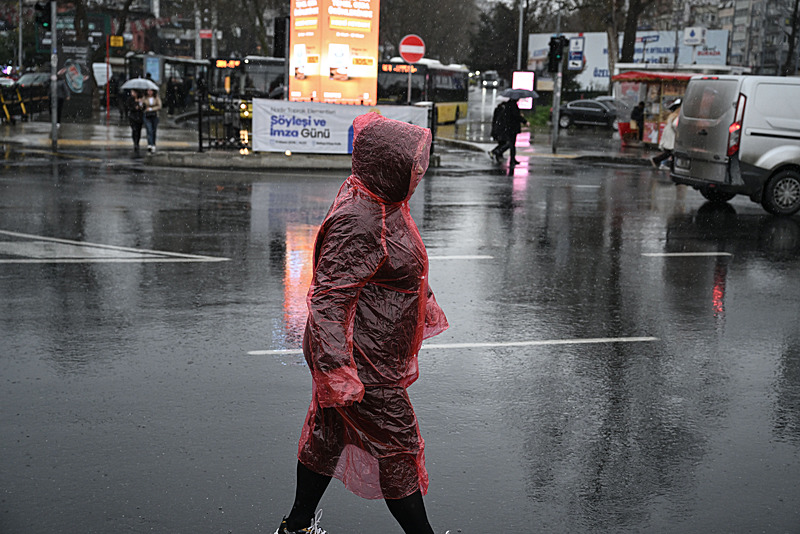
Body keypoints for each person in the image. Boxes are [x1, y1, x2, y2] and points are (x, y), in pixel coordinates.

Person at [275, 112, 450, 534]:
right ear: (387, 165)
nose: (419, 172)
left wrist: (422, 299)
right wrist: (337, 370)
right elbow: (329, 300)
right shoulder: (361, 218)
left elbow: (394, 265)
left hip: (371, 354)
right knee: (398, 446)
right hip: (362, 364)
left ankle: (296, 526)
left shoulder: (384, 203)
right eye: (411, 164)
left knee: (328, 435)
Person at [489, 98, 528, 165]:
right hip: (511, 128)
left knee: (509, 143)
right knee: (510, 144)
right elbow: (515, 116)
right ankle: (496, 152)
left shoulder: (507, 106)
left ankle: (503, 155)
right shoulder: (512, 105)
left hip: (507, 128)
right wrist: (524, 121)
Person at [651, 98, 681, 169]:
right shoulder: (676, 116)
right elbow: (674, 125)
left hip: (668, 134)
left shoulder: (672, 115)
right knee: (671, 152)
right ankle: (657, 161)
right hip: (671, 135)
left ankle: (664, 164)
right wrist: (678, 132)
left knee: (670, 152)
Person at [142, 88, 162, 153]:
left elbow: (159, 106)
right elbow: (142, 106)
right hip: (147, 116)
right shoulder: (144, 98)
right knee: (149, 130)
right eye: (148, 90)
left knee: (154, 130)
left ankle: (153, 143)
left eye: (151, 91)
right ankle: (150, 144)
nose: (149, 92)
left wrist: (151, 109)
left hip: (154, 115)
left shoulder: (156, 98)